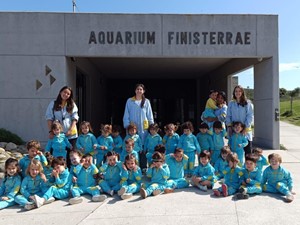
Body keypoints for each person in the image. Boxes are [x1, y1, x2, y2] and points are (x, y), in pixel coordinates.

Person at [45, 86, 79, 167]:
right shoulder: (53, 103)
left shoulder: (72, 104)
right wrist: (51, 131)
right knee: (57, 157)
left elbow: (75, 118)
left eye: (68, 94)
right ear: (60, 92)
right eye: (64, 92)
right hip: (57, 134)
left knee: (71, 156)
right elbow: (49, 118)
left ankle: (71, 174)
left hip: (70, 134)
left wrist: (70, 130)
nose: (66, 94)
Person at [123, 84, 154, 170]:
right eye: (137, 89)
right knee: (133, 145)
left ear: (143, 91)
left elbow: (149, 114)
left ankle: (143, 167)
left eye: (141, 89)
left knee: (143, 146)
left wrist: (151, 126)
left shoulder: (146, 101)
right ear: (135, 90)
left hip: (144, 127)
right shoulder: (130, 101)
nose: (139, 91)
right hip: (132, 127)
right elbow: (126, 114)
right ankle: (131, 166)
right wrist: (127, 125)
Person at [226, 85, 254, 156]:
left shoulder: (248, 103)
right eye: (236, 91)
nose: (237, 93)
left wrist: (245, 128)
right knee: (234, 153)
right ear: (234, 93)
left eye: (239, 91)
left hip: (245, 131)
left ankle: (248, 167)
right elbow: (228, 115)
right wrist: (229, 127)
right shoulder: (231, 103)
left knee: (248, 153)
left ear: (242, 92)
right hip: (234, 130)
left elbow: (250, 116)